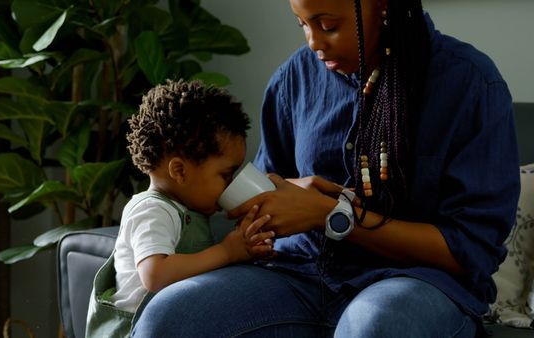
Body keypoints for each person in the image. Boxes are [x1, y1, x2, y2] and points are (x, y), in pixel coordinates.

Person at [131, 0, 520, 337]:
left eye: (327, 24)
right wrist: (280, 195)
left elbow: (471, 250)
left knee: (376, 326)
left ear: (381, 5)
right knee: (168, 318)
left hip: (414, 282)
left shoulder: (468, 84)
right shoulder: (292, 80)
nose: (313, 42)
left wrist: (330, 215)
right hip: (295, 274)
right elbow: (257, 207)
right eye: (302, 24)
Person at [85, 79, 275, 337]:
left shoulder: (186, 210)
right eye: (225, 175)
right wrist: (227, 252)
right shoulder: (152, 210)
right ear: (180, 171)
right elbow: (155, 275)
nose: (230, 185)